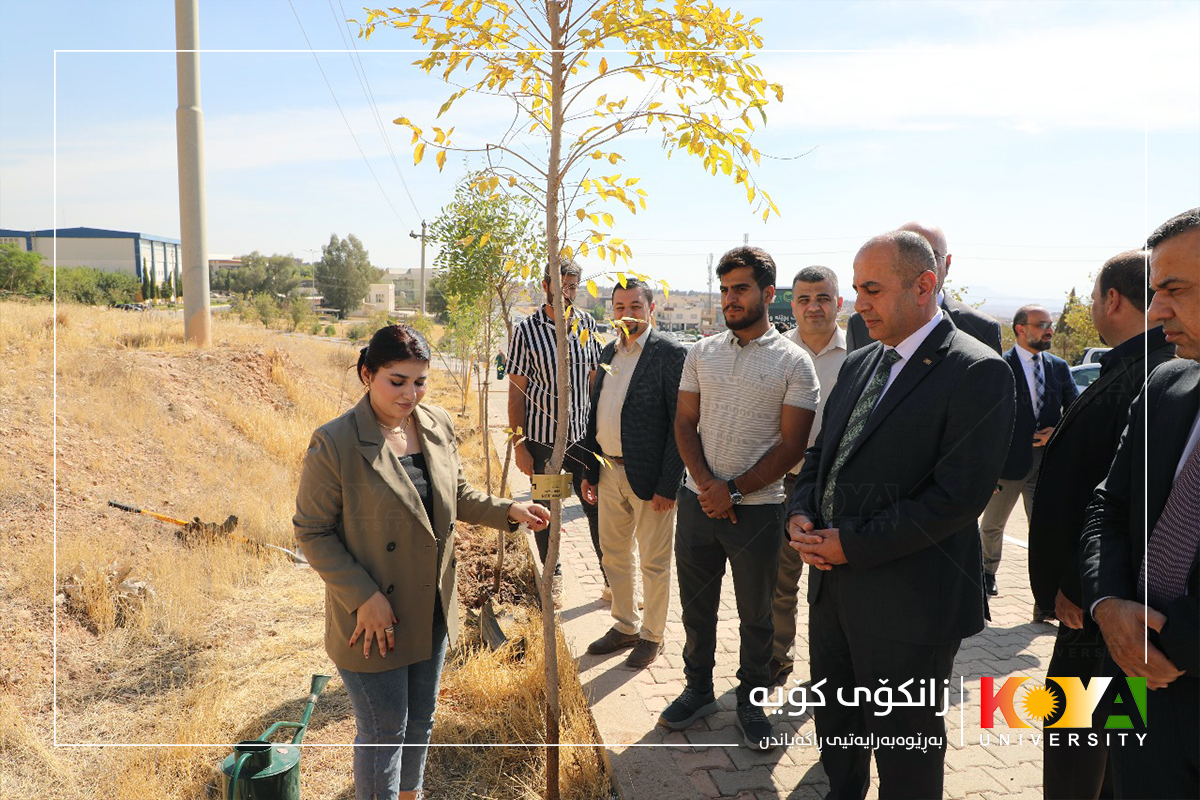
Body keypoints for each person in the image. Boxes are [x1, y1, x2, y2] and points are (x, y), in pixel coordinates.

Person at [789, 230, 1015, 800]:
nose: (856, 303)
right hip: (832, 593)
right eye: (857, 288)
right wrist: (800, 513)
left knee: (904, 752)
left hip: (910, 607)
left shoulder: (976, 370)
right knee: (838, 732)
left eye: (871, 289)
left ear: (924, 285)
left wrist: (852, 544)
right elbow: (822, 457)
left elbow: (957, 499)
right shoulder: (863, 362)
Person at [294, 324, 550, 800]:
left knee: (421, 717)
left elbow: (456, 495)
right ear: (367, 373)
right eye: (397, 381)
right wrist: (363, 597)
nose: (410, 394)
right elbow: (312, 531)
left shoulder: (435, 423)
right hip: (373, 616)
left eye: (420, 381)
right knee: (384, 728)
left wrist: (508, 511)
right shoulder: (335, 443)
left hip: (432, 603)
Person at [1028, 250, 1174, 800]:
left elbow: (1128, 499)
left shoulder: (1153, 374)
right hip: (1099, 598)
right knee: (1113, 733)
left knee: (1076, 736)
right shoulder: (1132, 365)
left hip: (1098, 605)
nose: (1092, 306)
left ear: (1113, 299)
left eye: (1093, 297)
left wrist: (1077, 582)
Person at [660, 246, 818, 750]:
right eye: (725, 289)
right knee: (696, 608)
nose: (730, 298)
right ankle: (698, 690)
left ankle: (752, 703)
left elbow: (793, 444)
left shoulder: (796, 363)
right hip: (697, 506)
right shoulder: (701, 352)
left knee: (756, 615)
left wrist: (731, 490)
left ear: (769, 294)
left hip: (759, 511)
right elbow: (685, 423)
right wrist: (707, 485)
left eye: (741, 288)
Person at [1081, 208, 1200, 800]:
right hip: (1130, 680)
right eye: (1154, 293)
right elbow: (1109, 506)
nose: (1156, 313)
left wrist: (1178, 641)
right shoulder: (1167, 386)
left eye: (1175, 291)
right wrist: (1107, 605)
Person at [579, 279, 687, 669]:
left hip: (651, 479)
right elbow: (596, 414)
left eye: (635, 306)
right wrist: (591, 469)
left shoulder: (670, 354)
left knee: (654, 563)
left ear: (651, 308)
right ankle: (625, 625)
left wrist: (668, 484)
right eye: (620, 305)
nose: (627, 314)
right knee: (614, 554)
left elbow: (682, 425)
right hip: (608, 472)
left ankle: (652, 635)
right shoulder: (609, 351)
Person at [506, 258, 604, 599]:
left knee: (595, 508)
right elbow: (517, 392)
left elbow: (595, 384)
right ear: (546, 285)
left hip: (582, 442)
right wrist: (519, 445)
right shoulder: (526, 331)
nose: (568, 293)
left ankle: (610, 580)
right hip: (543, 443)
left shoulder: (587, 326)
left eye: (574, 287)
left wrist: (599, 438)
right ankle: (552, 576)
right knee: (546, 512)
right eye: (562, 286)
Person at [770, 265, 848, 685]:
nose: (813, 307)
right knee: (780, 581)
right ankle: (779, 656)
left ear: (838, 302)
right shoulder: (777, 352)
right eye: (803, 299)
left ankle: (830, 672)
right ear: (792, 305)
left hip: (838, 489)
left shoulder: (863, 353)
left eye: (822, 298)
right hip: (784, 483)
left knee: (831, 587)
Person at [980, 304, 1079, 612]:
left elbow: (1076, 407)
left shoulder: (1058, 367)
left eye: (1050, 323)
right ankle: (986, 575)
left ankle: (1045, 597)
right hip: (1007, 464)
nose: (1049, 329)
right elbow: (985, 419)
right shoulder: (999, 366)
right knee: (994, 525)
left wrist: (1057, 431)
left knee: (1044, 529)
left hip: (1045, 463)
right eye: (1041, 324)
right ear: (1020, 329)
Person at [845, 220, 1002, 353]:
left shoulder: (981, 329)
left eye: (930, 256)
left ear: (947, 264)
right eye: (909, 255)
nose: (922, 264)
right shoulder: (859, 325)